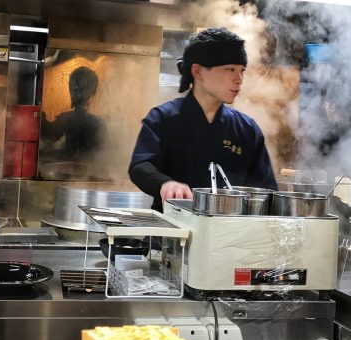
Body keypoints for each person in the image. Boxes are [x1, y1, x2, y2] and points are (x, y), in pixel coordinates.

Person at [129, 28, 276, 211]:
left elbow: (267, 191)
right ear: (198, 72)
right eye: (230, 69)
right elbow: (140, 166)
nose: (239, 79)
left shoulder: (247, 129)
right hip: (171, 233)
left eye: (242, 71)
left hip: (230, 236)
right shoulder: (163, 118)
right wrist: (165, 184)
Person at [41, 66, 105, 162]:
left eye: (78, 90)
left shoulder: (70, 119)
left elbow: (50, 134)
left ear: (92, 92)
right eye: (73, 89)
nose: (76, 94)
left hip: (83, 170)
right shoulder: (99, 122)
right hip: (84, 170)